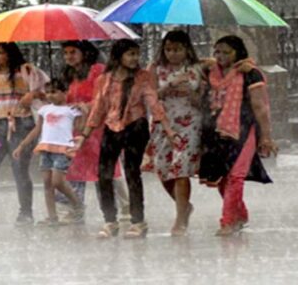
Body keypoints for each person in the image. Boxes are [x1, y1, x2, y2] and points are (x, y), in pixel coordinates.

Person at [74, 39, 179, 239]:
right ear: (119, 56)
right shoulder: (104, 79)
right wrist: (84, 136)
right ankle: (110, 221)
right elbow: (98, 109)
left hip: (135, 126)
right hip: (111, 127)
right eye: (130, 54)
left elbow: (153, 104)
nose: (134, 58)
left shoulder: (142, 77)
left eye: (136, 54)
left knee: (132, 174)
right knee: (104, 174)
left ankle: (138, 221)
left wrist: (168, 130)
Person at [199, 35, 278, 236]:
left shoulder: (250, 73)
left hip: (244, 130)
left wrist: (266, 136)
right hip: (216, 132)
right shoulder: (210, 72)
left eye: (227, 52)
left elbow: (260, 107)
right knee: (222, 179)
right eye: (217, 51)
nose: (221, 56)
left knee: (236, 176)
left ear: (238, 53)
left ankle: (227, 222)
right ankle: (240, 214)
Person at [0, 42, 49, 227]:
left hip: (21, 124)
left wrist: (33, 94)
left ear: (10, 54)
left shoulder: (27, 71)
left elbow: (47, 91)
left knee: (20, 169)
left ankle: (25, 213)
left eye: (0, 53)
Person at [58, 40, 130, 224]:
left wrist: (86, 106)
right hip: (77, 128)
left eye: (73, 52)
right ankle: (74, 208)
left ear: (85, 53)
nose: (69, 57)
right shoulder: (69, 75)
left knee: (105, 168)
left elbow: (106, 96)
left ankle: (121, 207)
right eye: (65, 53)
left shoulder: (98, 70)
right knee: (75, 169)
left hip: (98, 127)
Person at [144, 30, 204, 236]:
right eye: (168, 49)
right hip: (163, 122)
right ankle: (185, 206)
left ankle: (180, 220)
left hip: (189, 124)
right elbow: (150, 95)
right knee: (162, 169)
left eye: (177, 49)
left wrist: (192, 92)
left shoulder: (196, 69)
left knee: (181, 170)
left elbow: (202, 101)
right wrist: (169, 86)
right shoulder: (155, 69)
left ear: (186, 49)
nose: (173, 53)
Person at [12, 79, 85, 226]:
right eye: (48, 92)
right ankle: (52, 217)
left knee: (58, 182)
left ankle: (77, 205)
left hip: (63, 148)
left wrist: (85, 113)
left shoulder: (71, 110)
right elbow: (36, 129)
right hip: (46, 149)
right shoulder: (44, 110)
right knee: (47, 184)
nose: (50, 95)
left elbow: (80, 129)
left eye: (54, 92)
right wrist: (22, 145)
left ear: (65, 93)